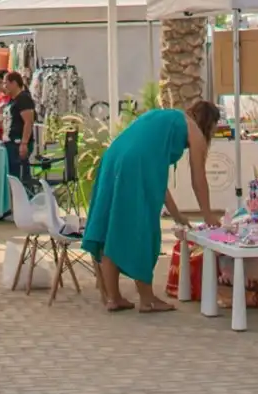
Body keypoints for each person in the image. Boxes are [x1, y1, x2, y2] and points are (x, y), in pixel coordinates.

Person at [83, 101, 220, 313]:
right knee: (142, 227)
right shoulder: (194, 130)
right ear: (209, 123)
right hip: (134, 163)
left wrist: (177, 215)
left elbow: (155, 179)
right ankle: (147, 299)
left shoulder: (164, 117)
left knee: (112, 227)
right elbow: (198, 178)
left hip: (113, 157)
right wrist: (208, 214)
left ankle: (113, 297)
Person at [0, 69, 38, 168]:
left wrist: (24, 143)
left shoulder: (23, 98)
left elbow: (28, 122)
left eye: (6, 83)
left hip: (18, 143)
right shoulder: (12, 100)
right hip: (10, 143)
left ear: (14, 83)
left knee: (19, 174)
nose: (4, 86)